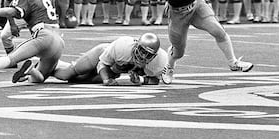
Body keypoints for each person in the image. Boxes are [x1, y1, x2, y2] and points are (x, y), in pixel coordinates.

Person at [16, 32, 167, 86]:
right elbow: (103, 63)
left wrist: (140, 81)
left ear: (154, 56)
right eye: (140, 50)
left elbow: (155, 80)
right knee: (68, 75)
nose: (141, 56)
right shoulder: (122, 46)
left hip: (115, 70)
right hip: (101, 57)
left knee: (77, 81)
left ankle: (43, 67)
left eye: (147, 54)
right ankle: (48, 62)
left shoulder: (159, 62)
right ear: (136, 44)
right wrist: (107, 80)